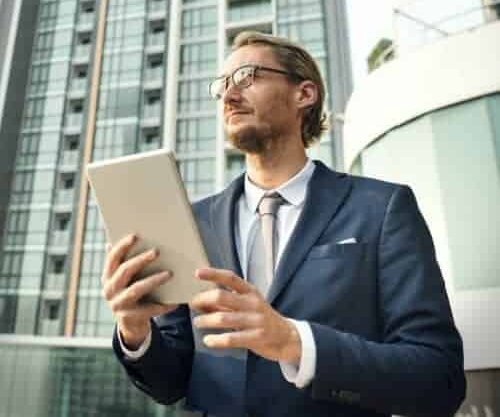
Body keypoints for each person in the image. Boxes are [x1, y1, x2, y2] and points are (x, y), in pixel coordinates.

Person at [104, 31, 466, 417]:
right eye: (222, 86)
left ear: (304, 94)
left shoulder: (382, 208)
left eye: (247, 76)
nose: (229, 95)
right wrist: (135, 332)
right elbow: (170, 383)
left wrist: (296, 342)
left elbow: (437, 376)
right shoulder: (192, 222)